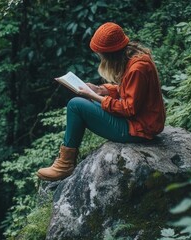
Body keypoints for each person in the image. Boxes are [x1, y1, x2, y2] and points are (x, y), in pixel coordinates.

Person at [37, 22, 166, 181]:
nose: (99, 57)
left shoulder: (137, 68)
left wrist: (94, 96)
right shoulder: (136, 58)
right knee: (83, 104)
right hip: (136, 121)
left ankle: (65, 164)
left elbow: (128, 108)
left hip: (139, 128)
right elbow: (129, 91)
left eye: (100, 54)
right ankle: (65, 160)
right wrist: (100, 90)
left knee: (76, 105)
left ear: (110, 53)